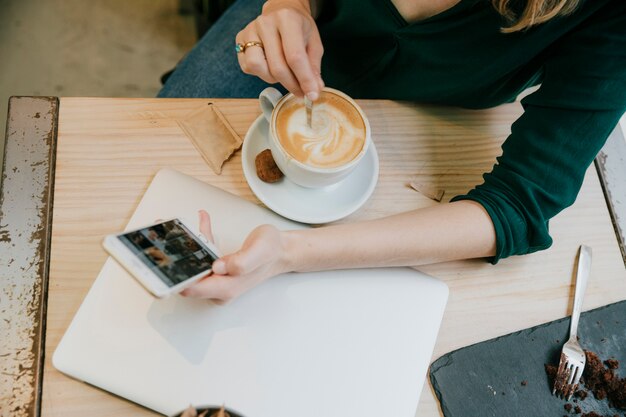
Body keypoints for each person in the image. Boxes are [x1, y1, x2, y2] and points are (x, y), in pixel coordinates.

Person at [158, 0, 626, 303]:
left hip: (433, 110)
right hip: (291, 39)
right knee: (156, 141)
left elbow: (519, 205)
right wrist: (291, 4)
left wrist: (290, 253)